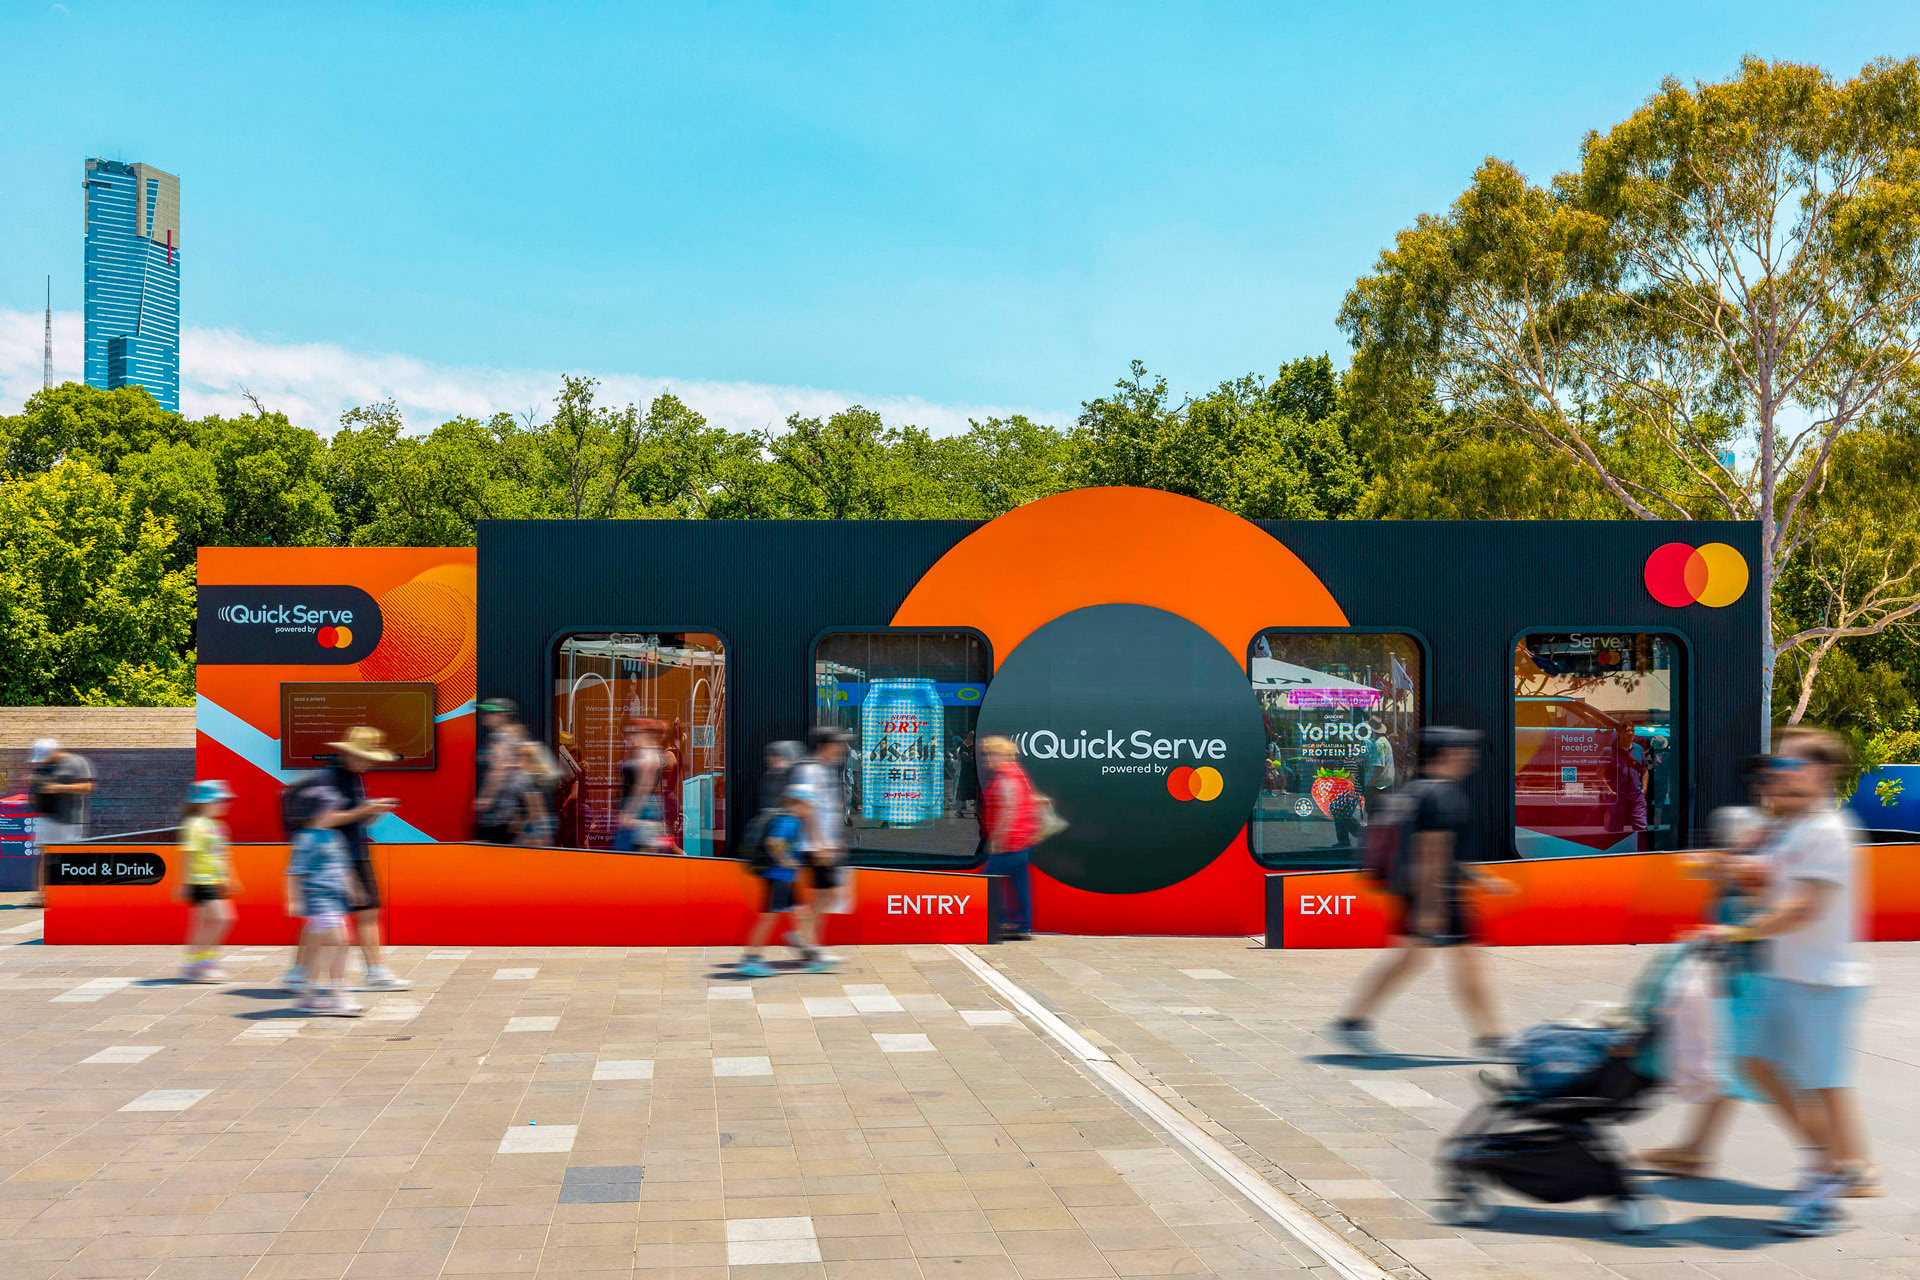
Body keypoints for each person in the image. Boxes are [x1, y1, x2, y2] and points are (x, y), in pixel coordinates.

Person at [1709, 729, 1877, 1235]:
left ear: (1822, 772)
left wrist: (1739, 931)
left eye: (1790, 766)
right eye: (1777, 768)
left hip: (1822, 983)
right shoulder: (1796, 827)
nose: (1779, 776)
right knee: (1756, 1064)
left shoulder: (1829, 829)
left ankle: (1825, 1190)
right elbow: (1770, 883)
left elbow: (1804, 907)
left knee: (1818, 1087)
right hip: (1789, 976)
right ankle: (1827, 1167)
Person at [1329, 726, 1513, 1059]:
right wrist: (1431, 906)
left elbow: (1435, 851)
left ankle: (1352, 1022)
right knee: (1466, 961)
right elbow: (1432, 853)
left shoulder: (1415, 790)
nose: (1469, 757)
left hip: (1416, 890)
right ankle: (1492, 1037)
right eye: (1463, 750)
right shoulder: (1444, 795)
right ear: (1448, 754)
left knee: (1411, 959)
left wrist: (1479, 878)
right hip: (1435, 894)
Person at [1638, 796, 1775, 1176]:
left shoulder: (1754, 872)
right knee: (1732, 1070)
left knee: (1762, 1072)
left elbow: (1745, 885)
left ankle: (1839, 1159)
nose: (1724, 843)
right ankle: (1695, 1149)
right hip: (1736, 982)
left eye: (1730, 837)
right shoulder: (1737, 870)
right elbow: (1694, 867)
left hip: (1751, 986)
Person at [317, 727, 409, 992]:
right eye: (365, 757)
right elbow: (325, 821)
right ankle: (374, 973)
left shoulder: (352, 776)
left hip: (354, 851)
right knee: (353, 915)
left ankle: (301, 973)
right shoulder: (332, 778)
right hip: (342, 855)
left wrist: (373, 812)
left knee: (340, 916)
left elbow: (354, 817)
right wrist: (366, 809)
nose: (369, 763)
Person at [285, 785, 367, 1017]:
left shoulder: (334, 836)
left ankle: (309, 994)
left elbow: (343, 868)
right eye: (332, 809)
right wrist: (294, 900)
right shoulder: (307, 839)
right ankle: (338, 995)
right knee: (340, 943)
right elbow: (295, 872)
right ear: (319, 812)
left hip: (335, 901)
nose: (336, 812)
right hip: (318, 900)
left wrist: (354, 889)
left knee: (318, 949)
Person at [737, 784, 813, 977]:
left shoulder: (792, 819)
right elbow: (774, 843)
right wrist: (787, 862)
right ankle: (751, 960)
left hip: (784, 877)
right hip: (777, 877)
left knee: (801, 913)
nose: (810, 809)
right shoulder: (788, 821)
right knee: (768, 919)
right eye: (809, 804)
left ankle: (805, 949)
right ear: (799, 803)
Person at [791, 726, 851, 969]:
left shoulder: (822, 770)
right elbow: (807, 809)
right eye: (838, 744)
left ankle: (806, 939)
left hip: (823, 845)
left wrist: (834, 842)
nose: (842, 749)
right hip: (814, 846)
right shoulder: (810, 771)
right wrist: (819, 844)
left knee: (828, 896)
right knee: (829, 895)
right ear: (825, 746)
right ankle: (809, 944)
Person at [177, 779, 239, 983]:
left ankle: (193, 963)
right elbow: (188, 854)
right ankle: (205, 964)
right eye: (219, 800)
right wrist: (185, 884)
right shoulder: (195, 825)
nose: (224, 804)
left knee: (203, 923)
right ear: (204, 802)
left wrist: (229, 877)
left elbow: (222, 855)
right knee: (223, 918)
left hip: (213, 881)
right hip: (201, 881)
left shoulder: (217, 825)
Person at [978, 735, 1039, 940]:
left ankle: (997, 922)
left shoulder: (1006, 777)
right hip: (1021, 842)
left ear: (1002, 754)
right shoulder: (1017, 774)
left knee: (989, 882)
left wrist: (997, 840)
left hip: (1009, 843)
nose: (988, 759)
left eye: (991, 754)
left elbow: (1008, 809)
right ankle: (1022, 926)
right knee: (1019, 884)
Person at [28, 739, 93, 904]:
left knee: (71, 858)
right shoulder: (43, 766)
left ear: (55, 751)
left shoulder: (77, 763)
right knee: (45, 857)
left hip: (70, 821)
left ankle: (72, 893)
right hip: (46, 818)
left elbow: (86, 787)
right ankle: (42, 896)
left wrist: (58, 787)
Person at [473, 698, 523, 844]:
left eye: (491, 713)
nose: (485, 715)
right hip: (509, 808)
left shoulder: (501, 738)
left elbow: (499, 770)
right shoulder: (514, 736)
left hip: (499, 811)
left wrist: (485, 798)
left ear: (504, 715)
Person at [614, 721, 667, 852]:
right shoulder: (645, 753)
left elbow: (643, 786)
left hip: (641, 809)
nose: (632, 737)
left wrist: (629, 812)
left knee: (632, 854)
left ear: (646, 734)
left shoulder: (649, 755)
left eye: (635, 733)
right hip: (639, 808)